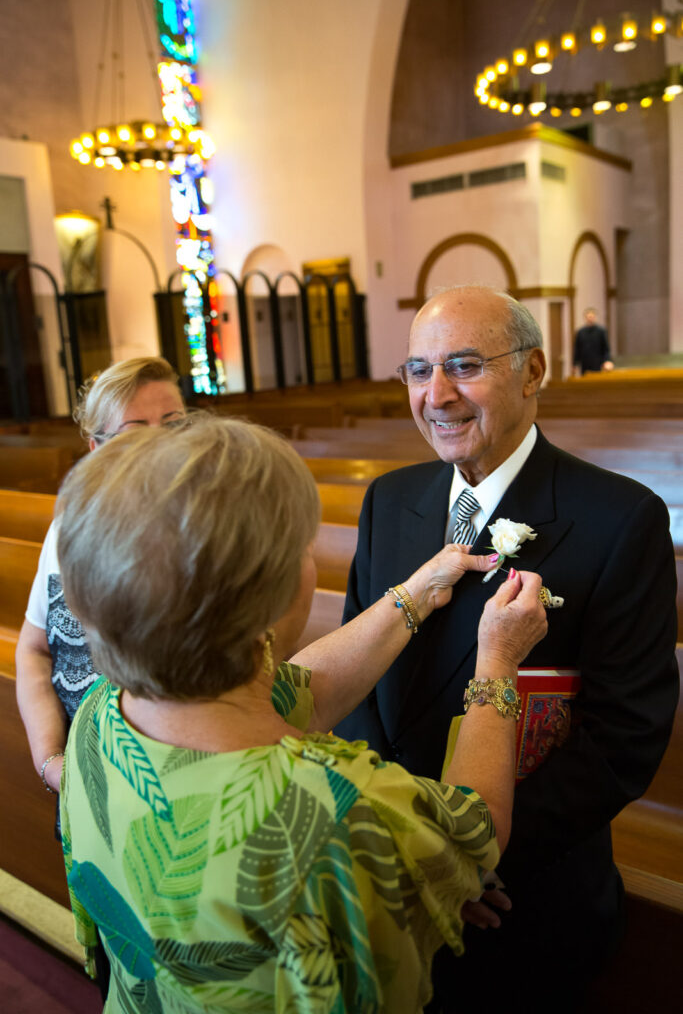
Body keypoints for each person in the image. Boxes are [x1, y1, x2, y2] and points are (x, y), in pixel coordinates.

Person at [58, 416, 547, 1012]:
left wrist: (417, 593)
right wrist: (497, 660)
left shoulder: (100, 712)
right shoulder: (331, 817)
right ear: (267, 590)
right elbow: (477, 829)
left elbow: (301, 691)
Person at [336, 285, 679, 1011]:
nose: (436, 395)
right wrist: (393, 836)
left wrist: (465, 857)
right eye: (419, 370)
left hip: (520, 896)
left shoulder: (619, 519)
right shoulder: (389, 500)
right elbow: (355, 681)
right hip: (388, 876)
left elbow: (622, 736)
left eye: (464, 366)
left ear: (532, 372)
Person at [15, 356, 187, 798]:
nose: (161, 443)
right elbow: (33, 650)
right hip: (79, 787)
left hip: (174, 790)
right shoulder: (67, 529)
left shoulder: (212, 534)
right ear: (97, 449)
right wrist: (52, 763)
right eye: (135, 431)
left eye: (174, 424)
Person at [573, 306, 614, 375]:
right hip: (585, 362)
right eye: (588, 317)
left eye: (592, 317)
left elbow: (606, 348)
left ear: (595, 317)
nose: (590, 319)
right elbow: (577, 349)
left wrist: (607, 360)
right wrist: (575, 363)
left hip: (598, 362)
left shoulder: (601, 331)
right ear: (585, 318)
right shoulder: (580, 332)